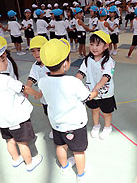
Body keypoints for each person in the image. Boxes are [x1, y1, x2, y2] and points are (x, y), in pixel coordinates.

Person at [0, 41, 43, 172]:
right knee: (23, 143)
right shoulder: (7, 80)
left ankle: (16, 159)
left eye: (5, 58)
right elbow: (25, 89)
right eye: (3, 60)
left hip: (2, 120)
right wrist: (37, 94)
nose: (6, 62)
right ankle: (30, 163)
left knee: (9, 140)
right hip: (15, 118)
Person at [38, 38, 98, 183]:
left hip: (57, 123)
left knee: (60, 146)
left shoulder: (42, 81)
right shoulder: (73, 82)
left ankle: (64, 167)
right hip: (75, 124)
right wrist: (94, 92)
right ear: (66, 63)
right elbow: (86, 97)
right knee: (78, 151)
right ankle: (81, 175)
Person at [76, 31, 117, 140]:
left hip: (105, 93)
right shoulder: (87, 60)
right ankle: (96, 125)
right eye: (92, 44)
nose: (94, 47)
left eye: (97, 45)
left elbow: (106, 77)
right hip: (90, 92)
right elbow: (81, 73)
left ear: (106, 46)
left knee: (107, 112)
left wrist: (96, 89)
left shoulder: (109, 61)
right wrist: (75, 83)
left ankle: (108, 128)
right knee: (94, 110)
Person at [26, 36, 53, 139]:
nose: (36, 53)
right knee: (48, 114)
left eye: (39, 50)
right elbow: (31, 77)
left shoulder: (51, 63)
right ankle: (54, 128)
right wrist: (27, 88)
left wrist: (42, 91)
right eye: (33, 51)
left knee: (57, 113)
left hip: (54, 97)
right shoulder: (35, 65)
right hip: (44, 99)